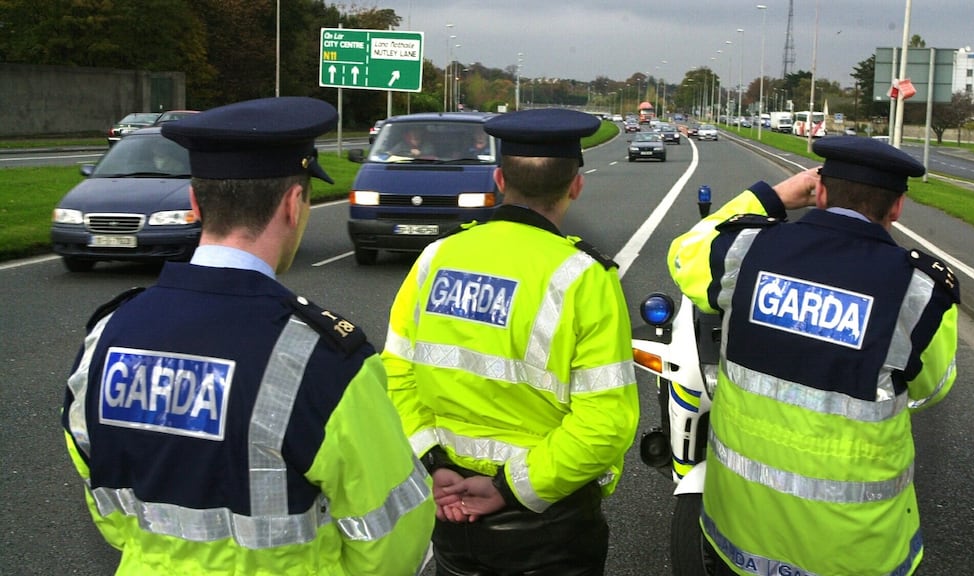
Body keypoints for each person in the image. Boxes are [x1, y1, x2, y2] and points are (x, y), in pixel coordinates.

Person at [61, 96, 435, 576]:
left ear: (195, 202)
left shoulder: (107, 334)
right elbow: (393, 534)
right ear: (294, 204)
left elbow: (102, 490)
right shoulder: (327, 363)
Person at [667, 136, 960, 576]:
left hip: (742, 535)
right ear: (897, 207)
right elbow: (932, 388)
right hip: (856, 551)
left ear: (819, 192)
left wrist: (774, 196)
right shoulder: (919, 290)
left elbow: (684, 254)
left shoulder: (745, 249)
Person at [381, 108, 640, 576]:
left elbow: (396, 375)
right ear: (575, 185)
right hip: (548, 522)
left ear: (499, 178)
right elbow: (606, 424)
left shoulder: (434, 258)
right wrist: (509, 488)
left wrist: (434, 462)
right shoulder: (584, 277)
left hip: (449, 507)